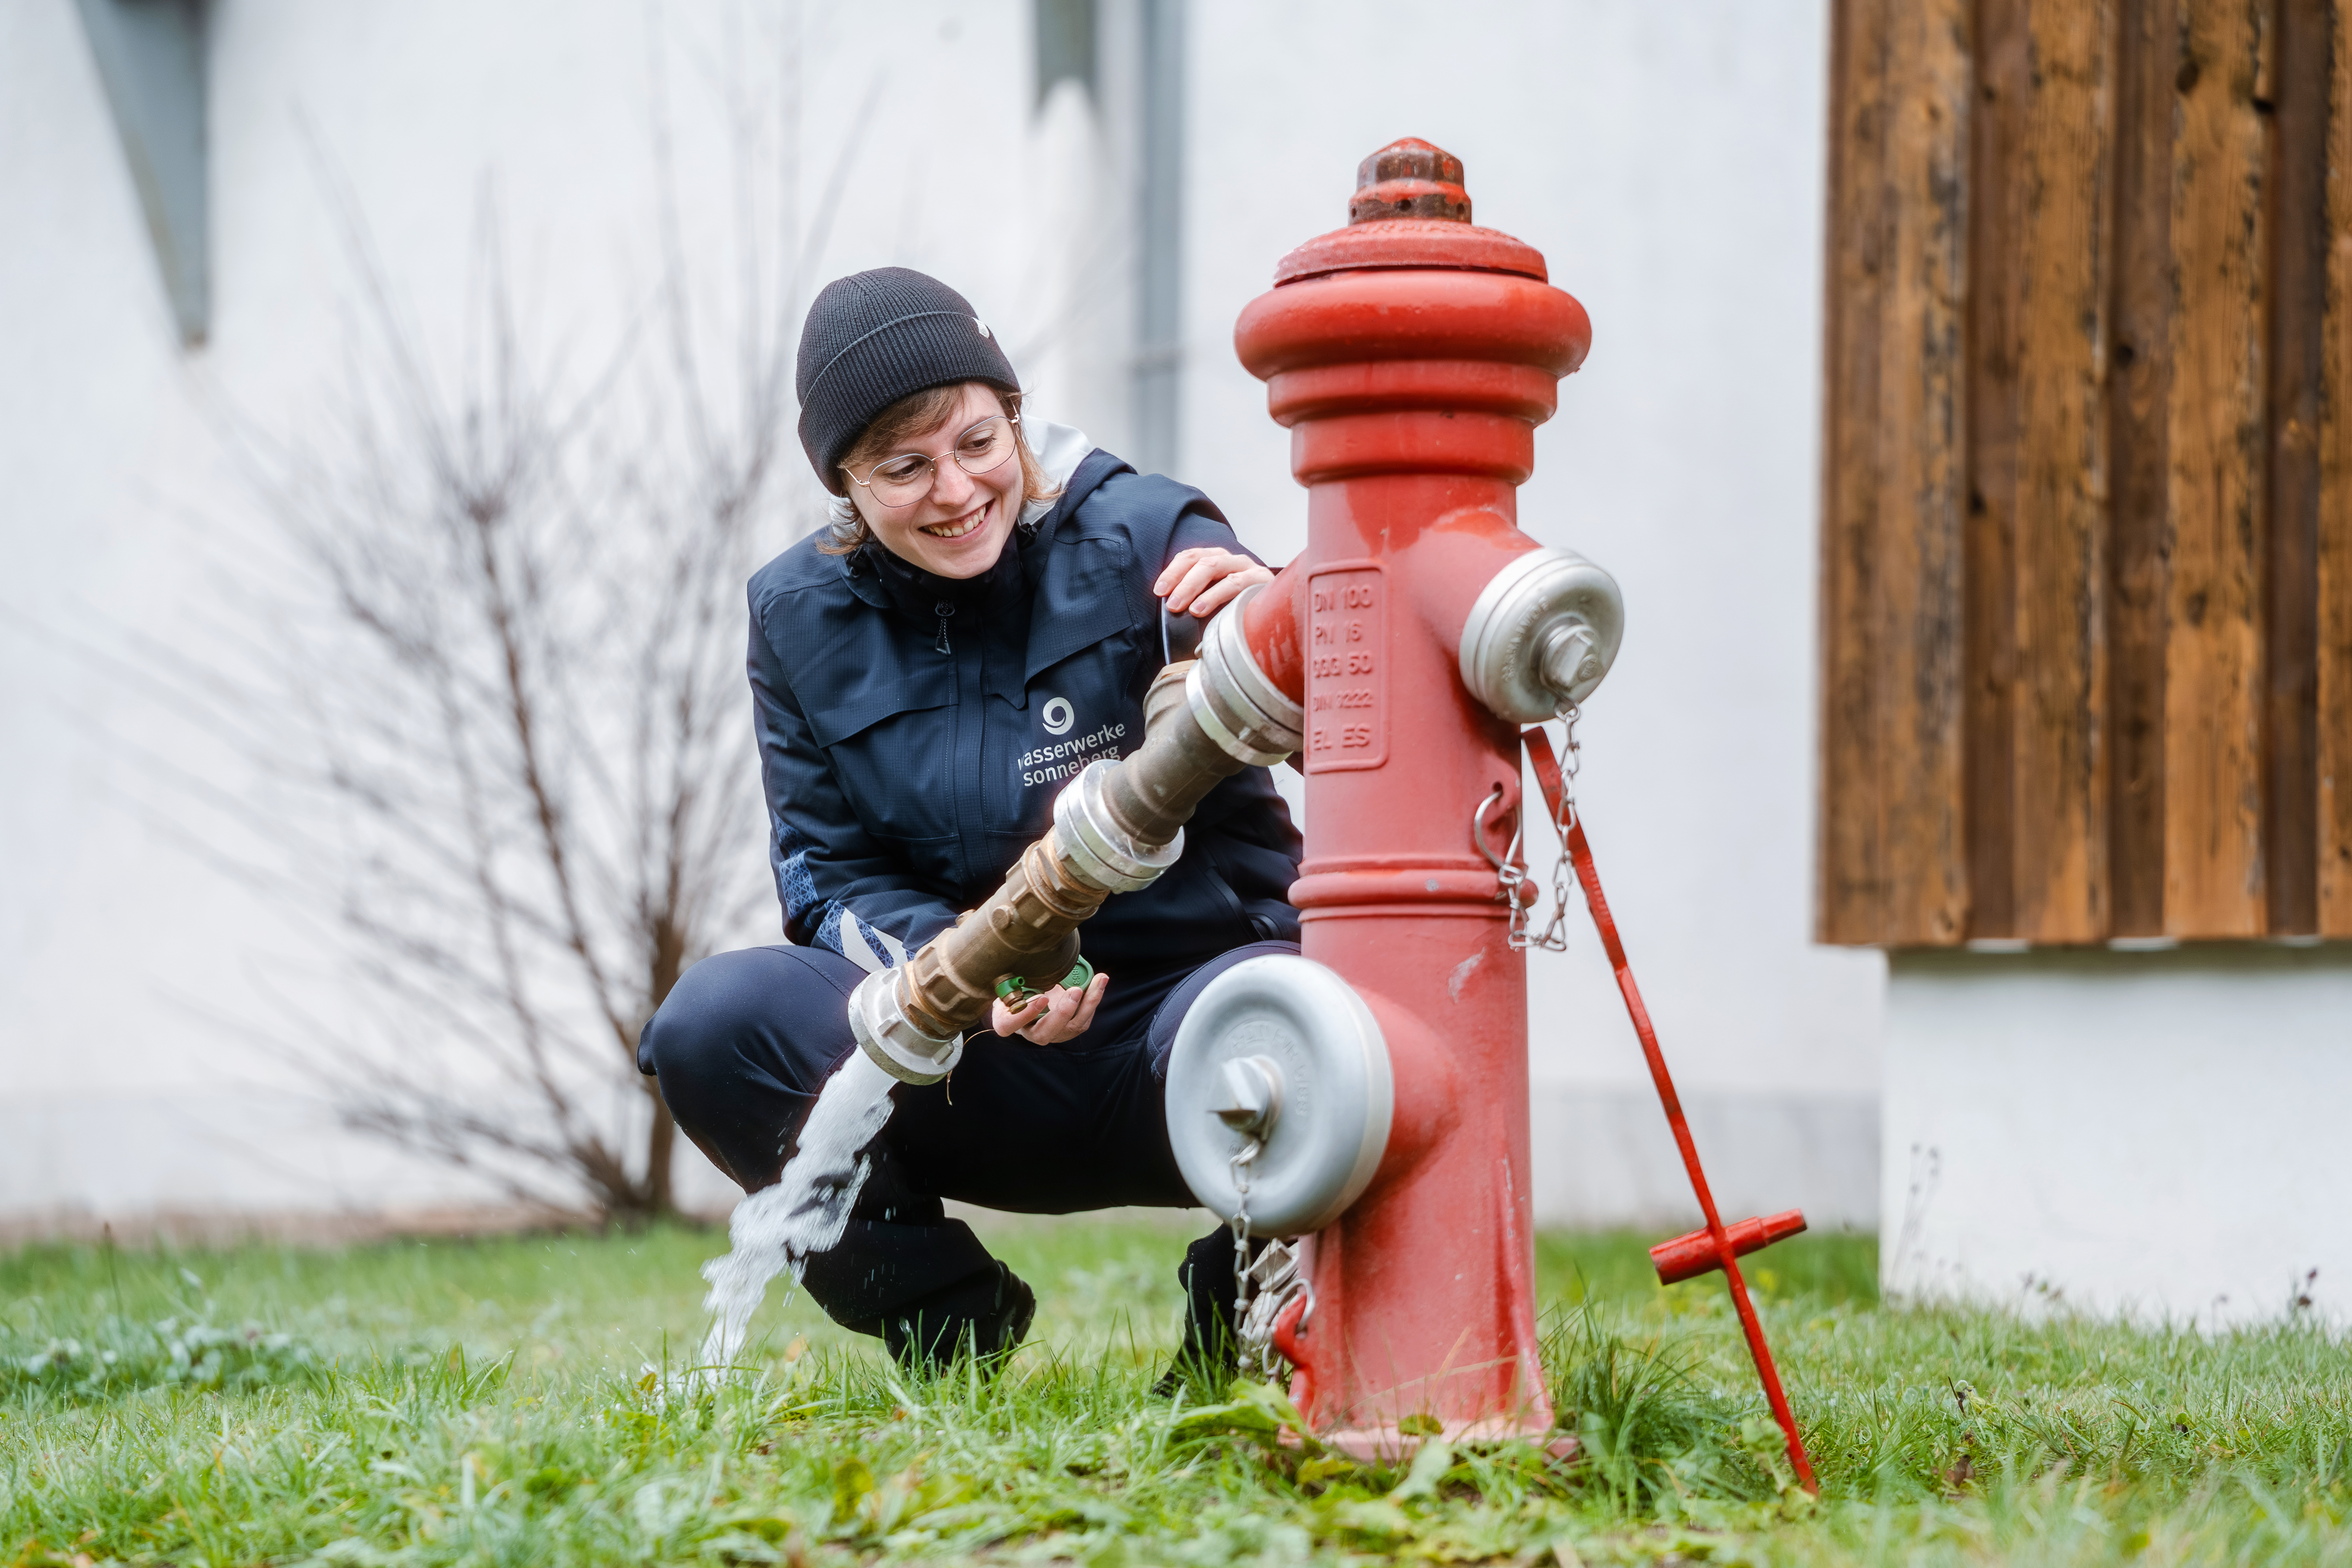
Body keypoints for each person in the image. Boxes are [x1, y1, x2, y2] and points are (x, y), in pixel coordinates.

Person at [638, 267, 1301, 1376]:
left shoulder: (1147, 534)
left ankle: (1241, 1322)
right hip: (977, 1051)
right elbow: (826, 876)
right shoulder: (795, 616)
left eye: (979, 442)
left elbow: (1355, 742)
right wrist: (993, 980)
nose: (955, 490)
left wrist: (1286, 634)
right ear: (846, 483)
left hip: (1191, 1034)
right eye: (904, 467)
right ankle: (947, 1326)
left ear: (1015, 415)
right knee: (712, 1025)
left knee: (1353, 993)